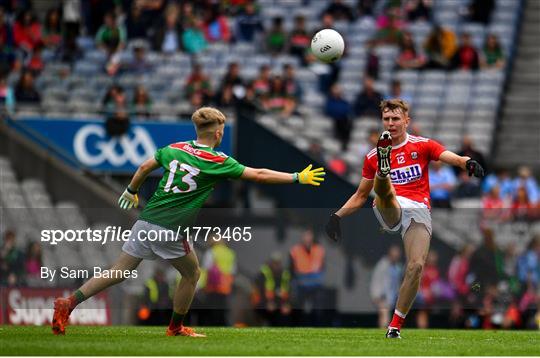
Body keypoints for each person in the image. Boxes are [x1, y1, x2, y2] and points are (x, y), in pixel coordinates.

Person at [51, 107, 325, 337]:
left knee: (118, 272)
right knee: (192, 274)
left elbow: (145, 167)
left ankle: (69, 302)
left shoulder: (174, 149)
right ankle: (175, 327)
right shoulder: (217, 160)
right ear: (218, 133)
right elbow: (260, 175)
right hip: (170, 228)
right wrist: (297, 177)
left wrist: (131, 191)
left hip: (146, 221)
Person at [325, 99, 484, 338]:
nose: (391, 123)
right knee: (386, 194)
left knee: (416, 266)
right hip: (390, 205)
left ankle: (394, 327)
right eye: (387, 119)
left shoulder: (422, 145)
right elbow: (360, 195)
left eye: (395, 119)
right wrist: (336, 216)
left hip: (418, 208)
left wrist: (466, 161)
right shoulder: (371, 156)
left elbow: (446, 155)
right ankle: (384, 172)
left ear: (406, 121)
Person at [253, 252, 292, 326]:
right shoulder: (264, 273)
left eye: (278, 263)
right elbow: (260, 291)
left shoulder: (285, 274)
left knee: (286, 313)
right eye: (275, 263)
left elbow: (289, 290)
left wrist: (287, 303)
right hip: (264, 302)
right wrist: (267, 303)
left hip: (280, 302)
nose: (276, 265)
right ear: (271, 263)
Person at [370, 245, 403, 328]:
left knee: (387, 315)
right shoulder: (382, 265)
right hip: (382, 296)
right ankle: (383, 331)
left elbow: (397, 282)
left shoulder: (398, 267)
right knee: (385, 314)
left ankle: (384, 330)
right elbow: (376, 280)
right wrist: (376, 295)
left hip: (392, 297)